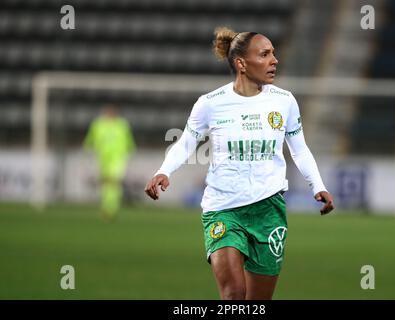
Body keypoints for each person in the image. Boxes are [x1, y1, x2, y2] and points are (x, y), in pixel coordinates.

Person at [145, 27, 334, 300]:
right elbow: (187, 142)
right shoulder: (210, 104)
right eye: (265, 54)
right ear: (241, 63)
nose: (274, 60)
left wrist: (318, 185)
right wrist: (164, 170)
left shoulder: (284, 102)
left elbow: (299, 149)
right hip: (223, 208)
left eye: (274, 54)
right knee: (233, 294)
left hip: (269, 209)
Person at [84, 104, 136, 221]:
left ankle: (111, 209)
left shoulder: (122, 125)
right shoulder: (97, 124)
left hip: (118, 157)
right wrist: (87, 149)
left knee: (114, 182)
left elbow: (128, 139)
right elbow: (90, 138)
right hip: (102, 157)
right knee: (106, 184)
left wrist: (131, 150)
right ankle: (107, 207)